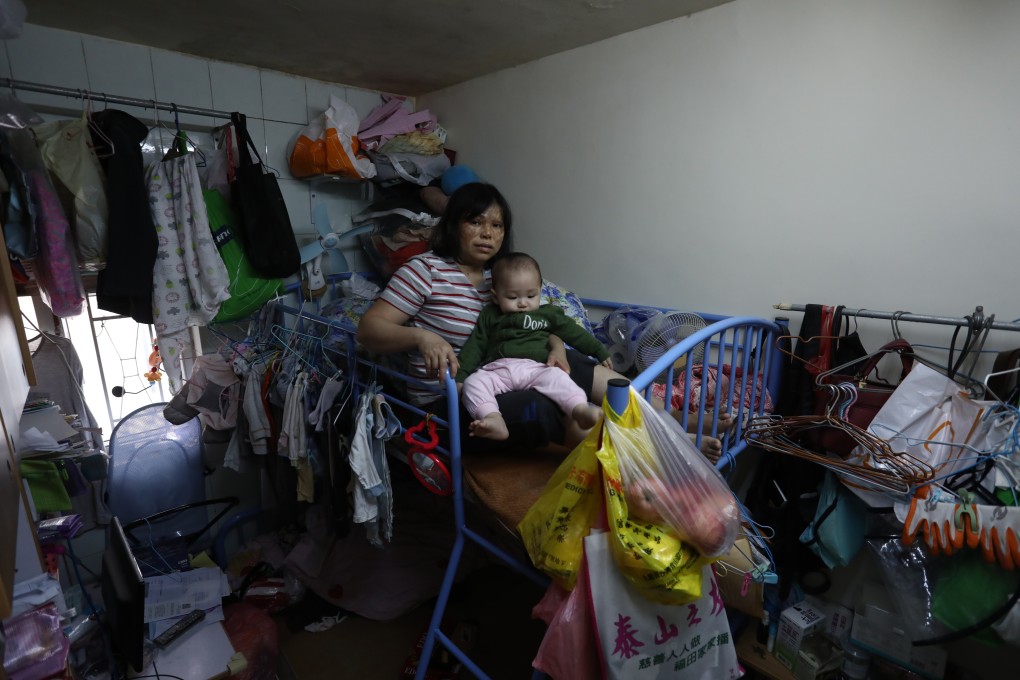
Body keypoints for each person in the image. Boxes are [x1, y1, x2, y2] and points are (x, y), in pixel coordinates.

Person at [356, 182, 728, 455]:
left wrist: (555, 347)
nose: (487, 233)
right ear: (454, 224)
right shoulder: (425, 271)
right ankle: (654, 453)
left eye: (497, 226)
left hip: (517, 369)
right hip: (456, 396)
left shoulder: (501, 277)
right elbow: (369, 330)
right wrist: (421, 338)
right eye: (476, 222)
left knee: (574, 368)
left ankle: (673, 419)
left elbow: (537, 322)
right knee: (549, 405)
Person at [456, 252, 613, 440]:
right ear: (496, 297)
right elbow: (476, 345)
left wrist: (598, 350)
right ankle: (493, 419)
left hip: (536, 369)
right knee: (474, 383)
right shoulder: (490, 315)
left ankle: (579, 409)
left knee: (559, 377)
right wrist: (461, 377)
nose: (523, 303)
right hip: (498, 371)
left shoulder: (548, 314)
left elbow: (573, 332)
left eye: (531, 295)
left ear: (540, 290)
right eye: (513, 297)